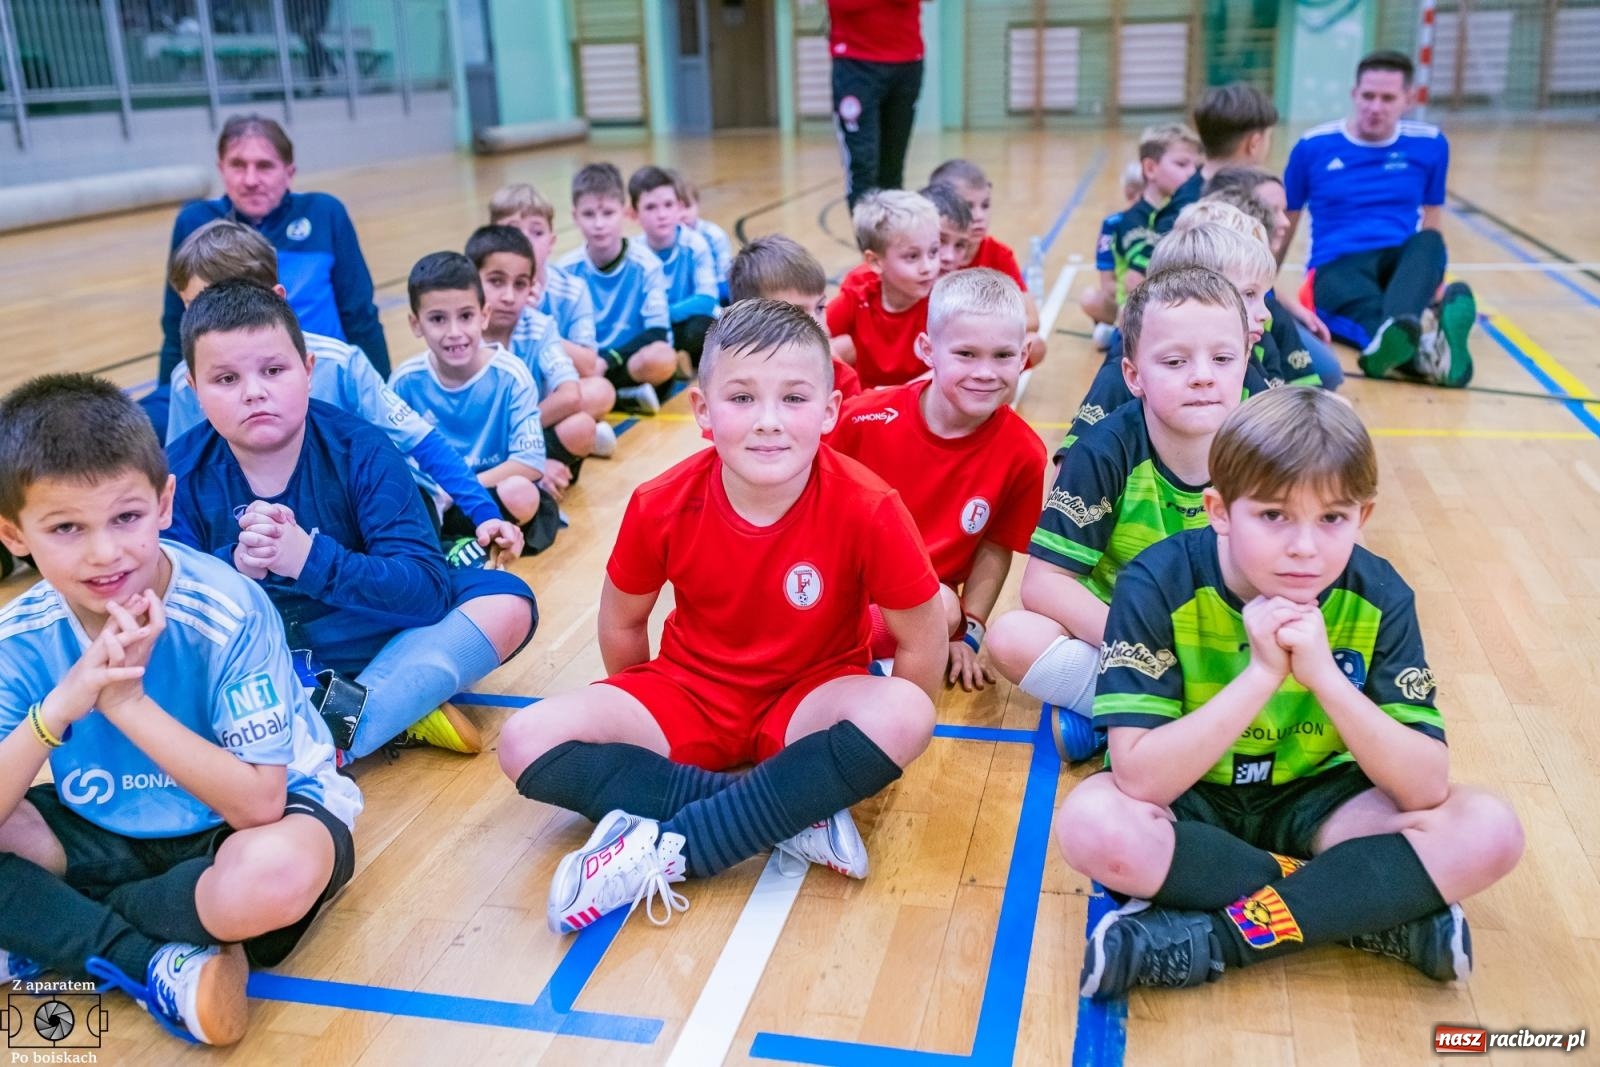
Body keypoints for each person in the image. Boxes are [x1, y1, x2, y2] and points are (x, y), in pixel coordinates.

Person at [496, 299, 946, 933]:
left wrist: (878, 757)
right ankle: (791, 809)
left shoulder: (869, 505)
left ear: (830, 411)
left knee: (906, 712)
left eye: (794, 398)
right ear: (703, 411)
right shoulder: (660, 502)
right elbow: (623, 622)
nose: (768, 421)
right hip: (689, 692)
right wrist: (640, 713)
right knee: (522, 741)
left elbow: (921, 639)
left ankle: (672, 850)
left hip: (808, 701)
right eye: (741, 398)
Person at [1059, 387, 1524, 999]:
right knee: (1092, 824)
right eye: (1274, 516)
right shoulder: (1156, 582)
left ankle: (1215, 940)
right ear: (1220, 510)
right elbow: (1142, 781)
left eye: (1331, 519)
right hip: (1194, 801)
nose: (1304, 547)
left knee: (1490, 829)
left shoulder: (1380, 594)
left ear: (1363, 517)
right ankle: (1359, 904)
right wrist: (1260, 675)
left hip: (1324, 801)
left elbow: (1425, 786)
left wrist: (1325, 677)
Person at [0, 374, 361, 1045]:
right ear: (14, 534)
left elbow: (259, 805)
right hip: (107, 823)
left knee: (274, 878)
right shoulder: (18, 636)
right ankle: (152, 960)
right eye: (66, 528)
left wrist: (125, 703)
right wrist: (59, 708)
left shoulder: (227, 609)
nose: (105, 552)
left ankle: (52, 927)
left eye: (126, 518)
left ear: (164, 503)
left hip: (248, 824)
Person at [167, 282, 536, 761]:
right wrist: (235, 570)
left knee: (507, 602)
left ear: (308, 370)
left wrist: (309, 560)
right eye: (226, 379)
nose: (254, 392)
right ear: (194, 389)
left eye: (274, 370)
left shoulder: (362, 449)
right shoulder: (176, 474)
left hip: (364, 632)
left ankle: (331, 736)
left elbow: (425, 591)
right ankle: (394, 705)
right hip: (253, 655)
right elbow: (170, 615)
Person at [987, 266, 1250, 760]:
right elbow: (1043, 584)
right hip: (1124, 629)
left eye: (1222, 358)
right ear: (1133, 376)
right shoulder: (1103, 452)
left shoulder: (1267, 447)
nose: (1202, 375)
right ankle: (1170, 717)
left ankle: (1119, 716)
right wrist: (1147, 643)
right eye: (1174, 361)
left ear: (1246, 361)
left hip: (1226, 633)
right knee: (1012, 638)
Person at [163, 221, 522, 562]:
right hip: (255, 526)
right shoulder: (187, 381)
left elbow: (421, 441)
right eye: (197, 307)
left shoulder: (341, 363)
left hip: (357, 510)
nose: (216, 317)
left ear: (277, 298)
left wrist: (484, 513)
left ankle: (446, 550)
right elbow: (180, 479)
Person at [827, 269, 1046, 691]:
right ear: (928, 350)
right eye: (966, 354)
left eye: (1003, 356)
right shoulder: (861, 419)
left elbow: (996, 546)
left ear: (1023, 356)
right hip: (834, 594)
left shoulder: (1024, 453)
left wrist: (969, 631)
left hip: (917, 607)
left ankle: (845, 669)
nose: (985, 372)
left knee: (942, 606)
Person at [150, 114, 387, 432]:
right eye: (238, 165)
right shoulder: (195, 222)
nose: (250, 180)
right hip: (230, 390)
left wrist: (384, 391)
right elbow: (176, 327)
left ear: (289, 172)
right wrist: (168, 407)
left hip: (321, 392)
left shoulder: (324, 213)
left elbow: (360, 316)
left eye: (264, 166)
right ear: (221, 168)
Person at [1282, 50, 1474, 387]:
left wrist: (1432, 280)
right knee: (1377, 320)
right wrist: (1262, 287)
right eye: (1368, 96)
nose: (1375, 107)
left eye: (1387, 98)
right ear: (1354, 94)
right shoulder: (1313, 147)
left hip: (1399, 268)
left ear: (1409, 99)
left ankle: (1400, 330)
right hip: (1335, 268)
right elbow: (1286, 221)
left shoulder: (1430, 145)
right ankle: (1429, 350)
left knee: (1429, 242)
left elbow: (1432, 218)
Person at [1054, 218, 1275, 456]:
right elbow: (1073, 462)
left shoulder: (1245, 369)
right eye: (1249, 294)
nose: (1266, 314)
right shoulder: (1119, 380)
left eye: (1221, 359)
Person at [390, 252, 566, 551]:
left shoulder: (512, 375)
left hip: (488, 491)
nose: (454, 332)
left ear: (484, 316)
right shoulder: (404, 381)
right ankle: (466, 545)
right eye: (437, 319)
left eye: (466, 316)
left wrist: (457, 490)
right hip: (436, 499)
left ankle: (470, 542)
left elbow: (530, 462)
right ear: (416, 324)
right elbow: (393, 461)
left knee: (521, 493)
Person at [468, 225, 603, 486]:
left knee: (582, 426)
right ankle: (529, 474)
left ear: (532, 286)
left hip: (520, 439)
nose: (509, 296)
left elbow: (570, 394)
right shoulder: (462, 334)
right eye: (496, 281)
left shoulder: (539, 326)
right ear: (471, 281)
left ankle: (525, 471)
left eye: (520, 284)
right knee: (519, 493)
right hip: (473, 449)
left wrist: (526, 455)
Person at [554, 164, 679, 414]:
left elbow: (657, 333)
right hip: (586, 368)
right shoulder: (565, 270)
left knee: (663, 357)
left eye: (608, 213)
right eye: (589, 214)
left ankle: (608, 397)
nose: (599, 224)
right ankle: (622, 398)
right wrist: (588, 363)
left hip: (626, 362)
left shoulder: (647, 265)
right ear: (575, 216)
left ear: (624, 211)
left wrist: (609, 360)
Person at [928, 159, 1046, 364]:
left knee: (1034, 345)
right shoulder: (926, 255)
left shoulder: (998, 254)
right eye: (968, 206)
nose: (979, 216)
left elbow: (1032, 319)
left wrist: (976, 331)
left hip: (976, 346)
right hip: (932, 346)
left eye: (985, 205)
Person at [826, 189, 940, 389]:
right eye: (912, 256)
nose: (928, 267)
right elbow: (806, 340)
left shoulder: (943, 304)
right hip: (868, 404)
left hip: (921, 403)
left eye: (933, 252)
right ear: (875, 261)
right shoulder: (856, 300)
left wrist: (898, 393)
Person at [728, 234, 862, 400]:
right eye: (796, 314)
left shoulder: (836, 373)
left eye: (820, 308)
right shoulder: (728, 385)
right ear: (750, 321)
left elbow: (854, 412)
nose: (819, 327)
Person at [827, 0, 928, 208]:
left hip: (906, 63)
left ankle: (891, 228)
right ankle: (867, 229)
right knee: (863, 163)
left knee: (892, 167)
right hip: (855, 64)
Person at [628, 166, 719, 372]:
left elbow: (707, 299)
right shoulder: (633, 254)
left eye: (668, 205)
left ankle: (676, 364)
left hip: (684, 322)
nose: (661, 214)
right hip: (654, 329)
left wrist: (664, 314)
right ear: (634, 214)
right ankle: (674, 364)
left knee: (704, 330)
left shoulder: (696, 245)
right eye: (650, 207)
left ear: (679, 207)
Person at [1103, 124, 1203, 305]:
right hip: (1139, 315)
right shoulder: (1133, 219)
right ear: (1150, 168)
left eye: (1195, 166)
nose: (1191, 173)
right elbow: (1135, 281)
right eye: (1181, 164)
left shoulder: (1185, 210)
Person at [1081, 160, 1149, 349]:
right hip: (1125, 298)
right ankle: (1123, 328)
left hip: (1157, 298)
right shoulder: (1112, 224)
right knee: (1090, 298)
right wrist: (1131, 292)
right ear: (1129, 192)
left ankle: (1117, 333)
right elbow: (1107, 284)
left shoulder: (1163, 221)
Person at [676, 173, 733, 304]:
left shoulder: (714, 235)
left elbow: (725, 277)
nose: (683, 214)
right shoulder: (667, 240)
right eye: (677, 209)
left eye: (687, 207)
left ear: (698, 205)